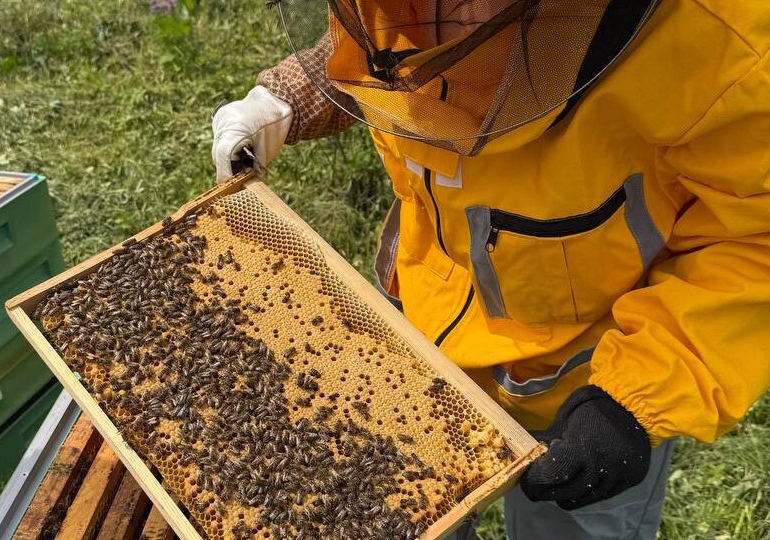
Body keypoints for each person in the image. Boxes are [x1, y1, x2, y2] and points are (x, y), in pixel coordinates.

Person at [212, 1, 770, 539]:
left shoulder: (724, 44)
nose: (442, 21)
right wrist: (288, 96)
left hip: (590, 396)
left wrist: (641, 395)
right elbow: (384, 48)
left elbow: (754, 239)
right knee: (401, 510)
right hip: (416, 353)